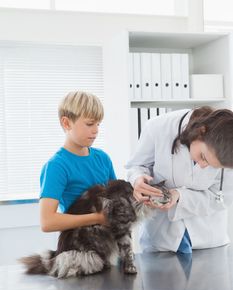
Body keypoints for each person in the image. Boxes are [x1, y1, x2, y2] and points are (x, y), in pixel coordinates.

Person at [125, 106, 233, 254]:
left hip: (209, 239)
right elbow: (137, 166)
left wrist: (179, 196)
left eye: (211, 165)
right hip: (161, 237)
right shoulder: (158, 127)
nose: (202, 166)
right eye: (203, 157)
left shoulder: (229, 147)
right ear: (202, 131)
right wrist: (137, 179)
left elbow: (221, 198)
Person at [40, 91, 116, 232]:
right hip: (79, 246)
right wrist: (97, 218)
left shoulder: (103, 159)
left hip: (109, 245)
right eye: (89, 124)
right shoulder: (56, 166)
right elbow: (47, 222)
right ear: (66, 123)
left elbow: (117, 198)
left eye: (98, 124)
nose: (96, 130)